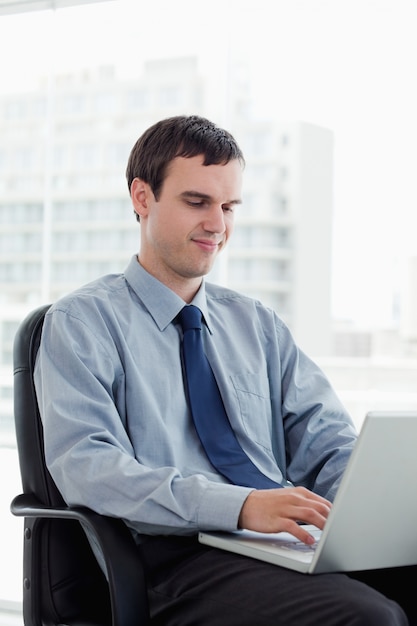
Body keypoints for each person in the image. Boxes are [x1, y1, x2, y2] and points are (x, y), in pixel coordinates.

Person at [34, 115, 415, 626]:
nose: (218, 223)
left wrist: (370, 509)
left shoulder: (257, 325)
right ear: (142, 197)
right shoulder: (81, 324)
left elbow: (327, 441)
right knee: (367, 617)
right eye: (197, 202)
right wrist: (239, 506)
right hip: (172, 560)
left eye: (229, 206)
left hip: (282, 543)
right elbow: (91, 469)